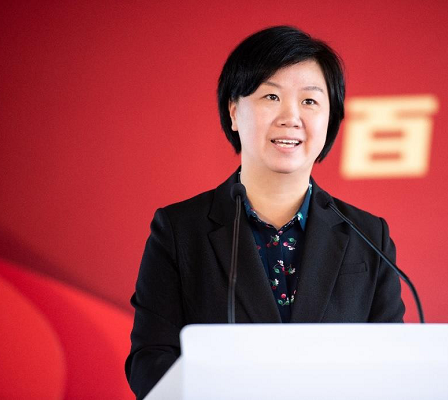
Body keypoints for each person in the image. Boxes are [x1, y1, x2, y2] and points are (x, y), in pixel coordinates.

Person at [125, 25, 405, 399]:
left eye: (310, 101)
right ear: (234, 112)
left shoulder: (367, 236)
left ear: (331, 118)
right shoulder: (179, 231)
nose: (291, 117)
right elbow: (150, 363)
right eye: (271, 96)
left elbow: (391, 367)